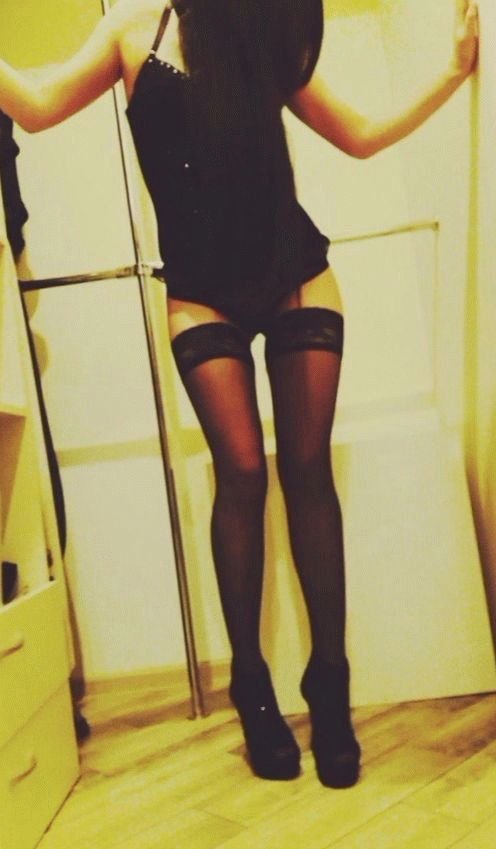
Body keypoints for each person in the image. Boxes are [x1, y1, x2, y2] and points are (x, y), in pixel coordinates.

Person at [0, 0, 479, 788]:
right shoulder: (131, 31)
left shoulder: (260, 26)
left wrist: (454, 73)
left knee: (308, 470)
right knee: (243, 472)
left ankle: (329, 682)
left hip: (294, 269)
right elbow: (37, 105)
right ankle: (250, 683)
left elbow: (359, 135)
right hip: (200, 289)